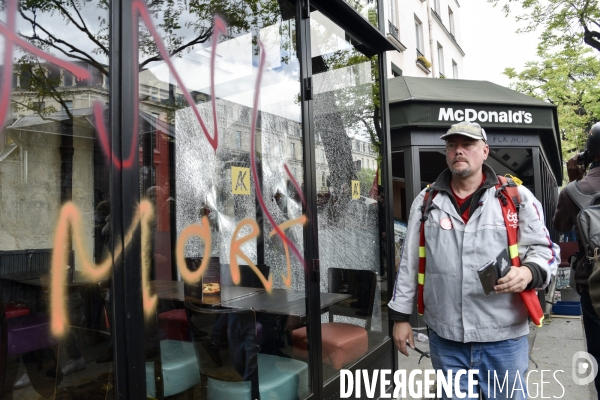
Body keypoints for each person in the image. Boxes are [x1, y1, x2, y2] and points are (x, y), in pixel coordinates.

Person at [388, 122, 559, 399]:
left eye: (467, 145)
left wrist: (528, 273)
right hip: (446, 337)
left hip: (503, 336)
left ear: (484, 151)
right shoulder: (426, 200)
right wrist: (400, 318)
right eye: (452, 145)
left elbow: (547, 250)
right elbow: (409, 263)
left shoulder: (516, 197)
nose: (459, 151)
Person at [553, 122, 600, 397]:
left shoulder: (574, 191)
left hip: (593, 285)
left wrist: (572, 180)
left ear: (590, 153)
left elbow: (561, 226)